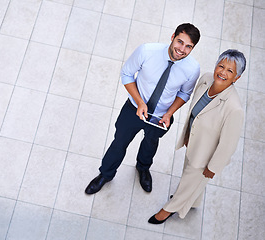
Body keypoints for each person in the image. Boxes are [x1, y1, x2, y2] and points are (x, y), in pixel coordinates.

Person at [85, 23, 201, 195]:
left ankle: (143, 168)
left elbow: (184, 94)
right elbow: (126, 74)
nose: (182, 49)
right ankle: (106, 174)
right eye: (179, 42)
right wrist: (140, 102)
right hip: (134, 108)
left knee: (151, 143)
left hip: (161, 116)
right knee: (119, 142)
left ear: (192, 48)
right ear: (172, 37)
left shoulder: (192, 68)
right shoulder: (147, 51)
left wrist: (169, 113)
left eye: (188, 46)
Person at [148, 49, 246, 224]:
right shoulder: (206, 79)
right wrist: (187, 135)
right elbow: (195, 113)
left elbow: (228, 145)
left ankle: (168, 210)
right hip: (194, 143)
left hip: (206, 156)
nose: (222, 72)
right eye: (221, 66)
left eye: (230, 71)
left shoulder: (234, 108)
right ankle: (193, 201)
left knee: (188, 181)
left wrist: (213, 167)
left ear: (236, 78)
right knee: (192, 180)